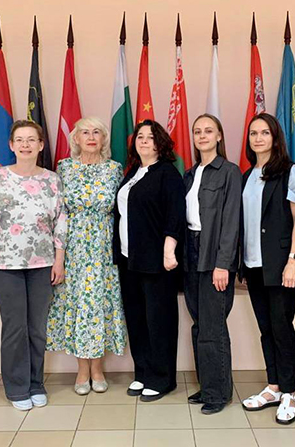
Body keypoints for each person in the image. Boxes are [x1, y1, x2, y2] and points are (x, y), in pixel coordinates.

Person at [0, 120, 67, 411]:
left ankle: (35, 383)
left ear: (41, 145)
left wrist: (59, 260)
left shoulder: (52, 180)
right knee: (15, 326)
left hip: (43, 263)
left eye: (31, 139)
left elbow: (60, 221)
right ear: (11, 145)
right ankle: (17, 388)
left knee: (37, 327)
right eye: (20, 139)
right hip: (3, 264)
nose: (25, 144)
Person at [47, 117, 126, 395]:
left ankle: (97, 369)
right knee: (79, 304)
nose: (91, 137)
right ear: (76, 139)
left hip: (104, 247)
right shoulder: (64, 168)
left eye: (96, 132)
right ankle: (82, 370)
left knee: (100, 303)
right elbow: (58, 213)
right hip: (74, 247)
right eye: (85, 132)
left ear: (103, 139)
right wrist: (59, 256)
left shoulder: (115, 169)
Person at [238, 113, 295, 424]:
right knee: (266, 328)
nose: (258, 138)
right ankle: (274, 386)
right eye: (253, 133)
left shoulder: (290, 172)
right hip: (253, 265)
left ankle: (290, 391)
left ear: (275, 137)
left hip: (281, 265)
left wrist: (294, 260)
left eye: (265, 132)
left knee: (282, 327)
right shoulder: (247, 175)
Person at [114, 119, 185, 402]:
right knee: (136, 318)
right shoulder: (132, 172)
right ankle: (143, 372)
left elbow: (175, 214)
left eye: (150, 137)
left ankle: (163, 378)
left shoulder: (168, 173)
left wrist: (169, 250)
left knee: (159, 320)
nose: (144, 141)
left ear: (160, 143)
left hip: (157, 260)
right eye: (140, 136)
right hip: (128, 259)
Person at [183, 114, 241, 415]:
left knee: (213, 326)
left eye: (208, 131)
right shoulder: (190, 174)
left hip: (214, 254)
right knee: (198, 324)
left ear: (219, 136)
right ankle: (207, 385)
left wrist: (223, 264)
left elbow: (231, 221)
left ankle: (218, 393)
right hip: (191, 252)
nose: (202, 135)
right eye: (197, 131)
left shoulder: (229, 172)